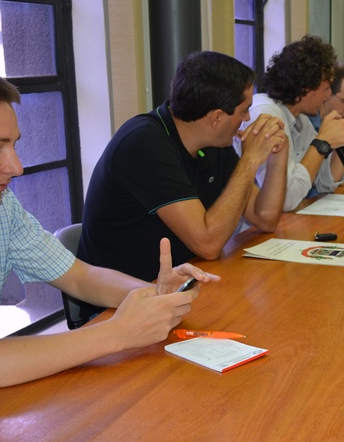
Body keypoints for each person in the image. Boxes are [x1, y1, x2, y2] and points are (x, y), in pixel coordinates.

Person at [0, 59, 213, 442]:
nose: (15, 166)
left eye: (14, 145)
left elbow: (78, 276)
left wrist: (151, 295)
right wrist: (115, 334)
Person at [79, 51, 289, 283]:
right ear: (216, 118)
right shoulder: (144, 143)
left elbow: (265, 218)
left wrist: (278, 151)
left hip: (182, 280)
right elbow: (208, 245)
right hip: (125, 295)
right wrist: (249, 160)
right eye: (244, 110)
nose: (247, 118)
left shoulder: (214, 143)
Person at [240, 35, 344, 211]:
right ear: (306, 88)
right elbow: (285, 200)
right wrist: (321, 143)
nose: (328, 96)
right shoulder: (265, 113)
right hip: (251, 227)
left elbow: (324, 183)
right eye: (326, 89)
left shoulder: (301, 120)